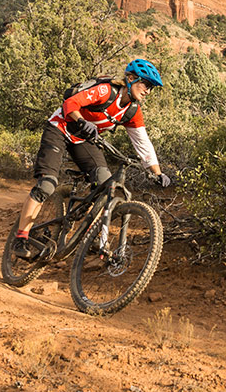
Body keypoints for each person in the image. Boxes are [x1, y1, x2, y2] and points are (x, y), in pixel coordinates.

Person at [12, 58, 172, 257]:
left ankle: (90, 235)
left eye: (151, 87)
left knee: (106, 185)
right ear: (130, 78)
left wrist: (157, 173)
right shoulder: (106, 91)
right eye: (146, 84)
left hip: (83, 140)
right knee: (47, 185)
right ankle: (21, 238)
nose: (148, 90)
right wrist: (81, 120)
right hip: (60, 129)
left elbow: (143, 143)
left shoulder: (132, 111)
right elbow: (71, 103)